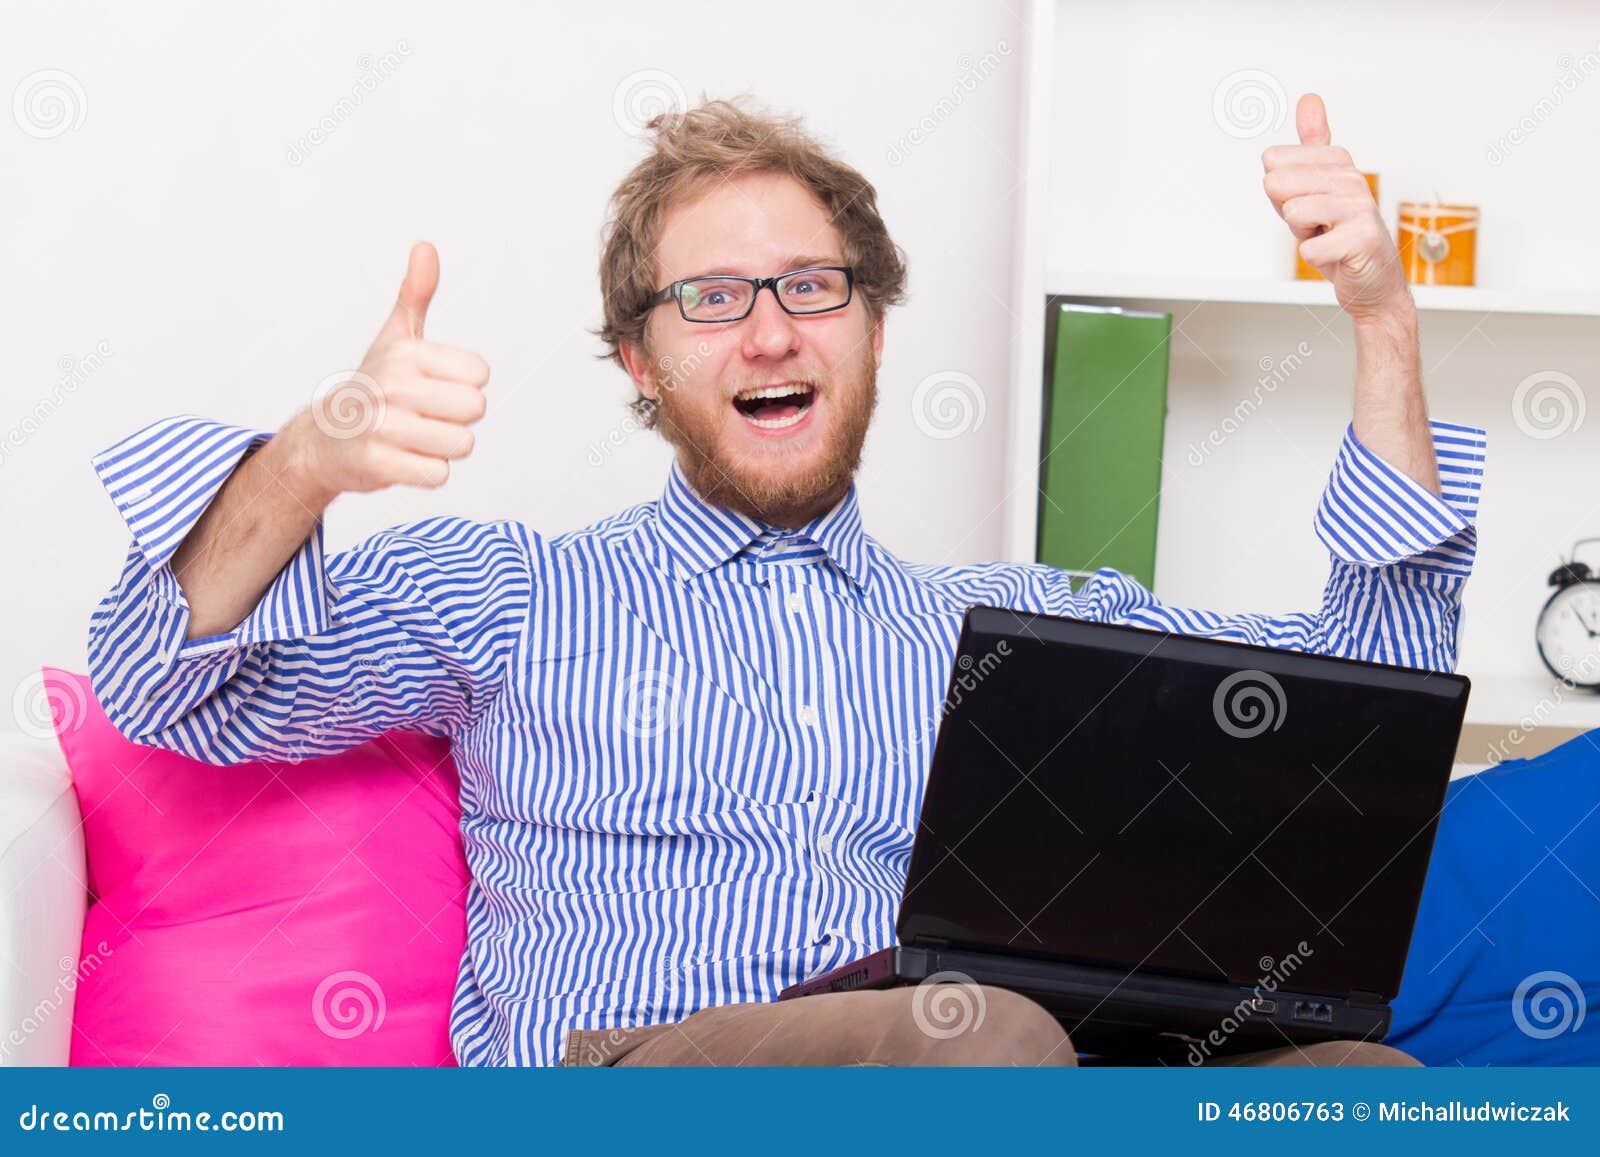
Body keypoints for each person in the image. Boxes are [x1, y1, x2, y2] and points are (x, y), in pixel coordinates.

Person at [87, 94, 1484, 1067]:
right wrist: (305, 462)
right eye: (712, 298)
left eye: (812, 286)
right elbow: (167, 683)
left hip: (993, 1064)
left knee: (1355, 1073)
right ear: (640, 360)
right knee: (983, 1033)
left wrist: (1382, 322)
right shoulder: (514, 596)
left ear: (872, 327)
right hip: (641, 1076)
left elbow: (1377, 689)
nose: (767, 332)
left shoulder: (1014, 626)